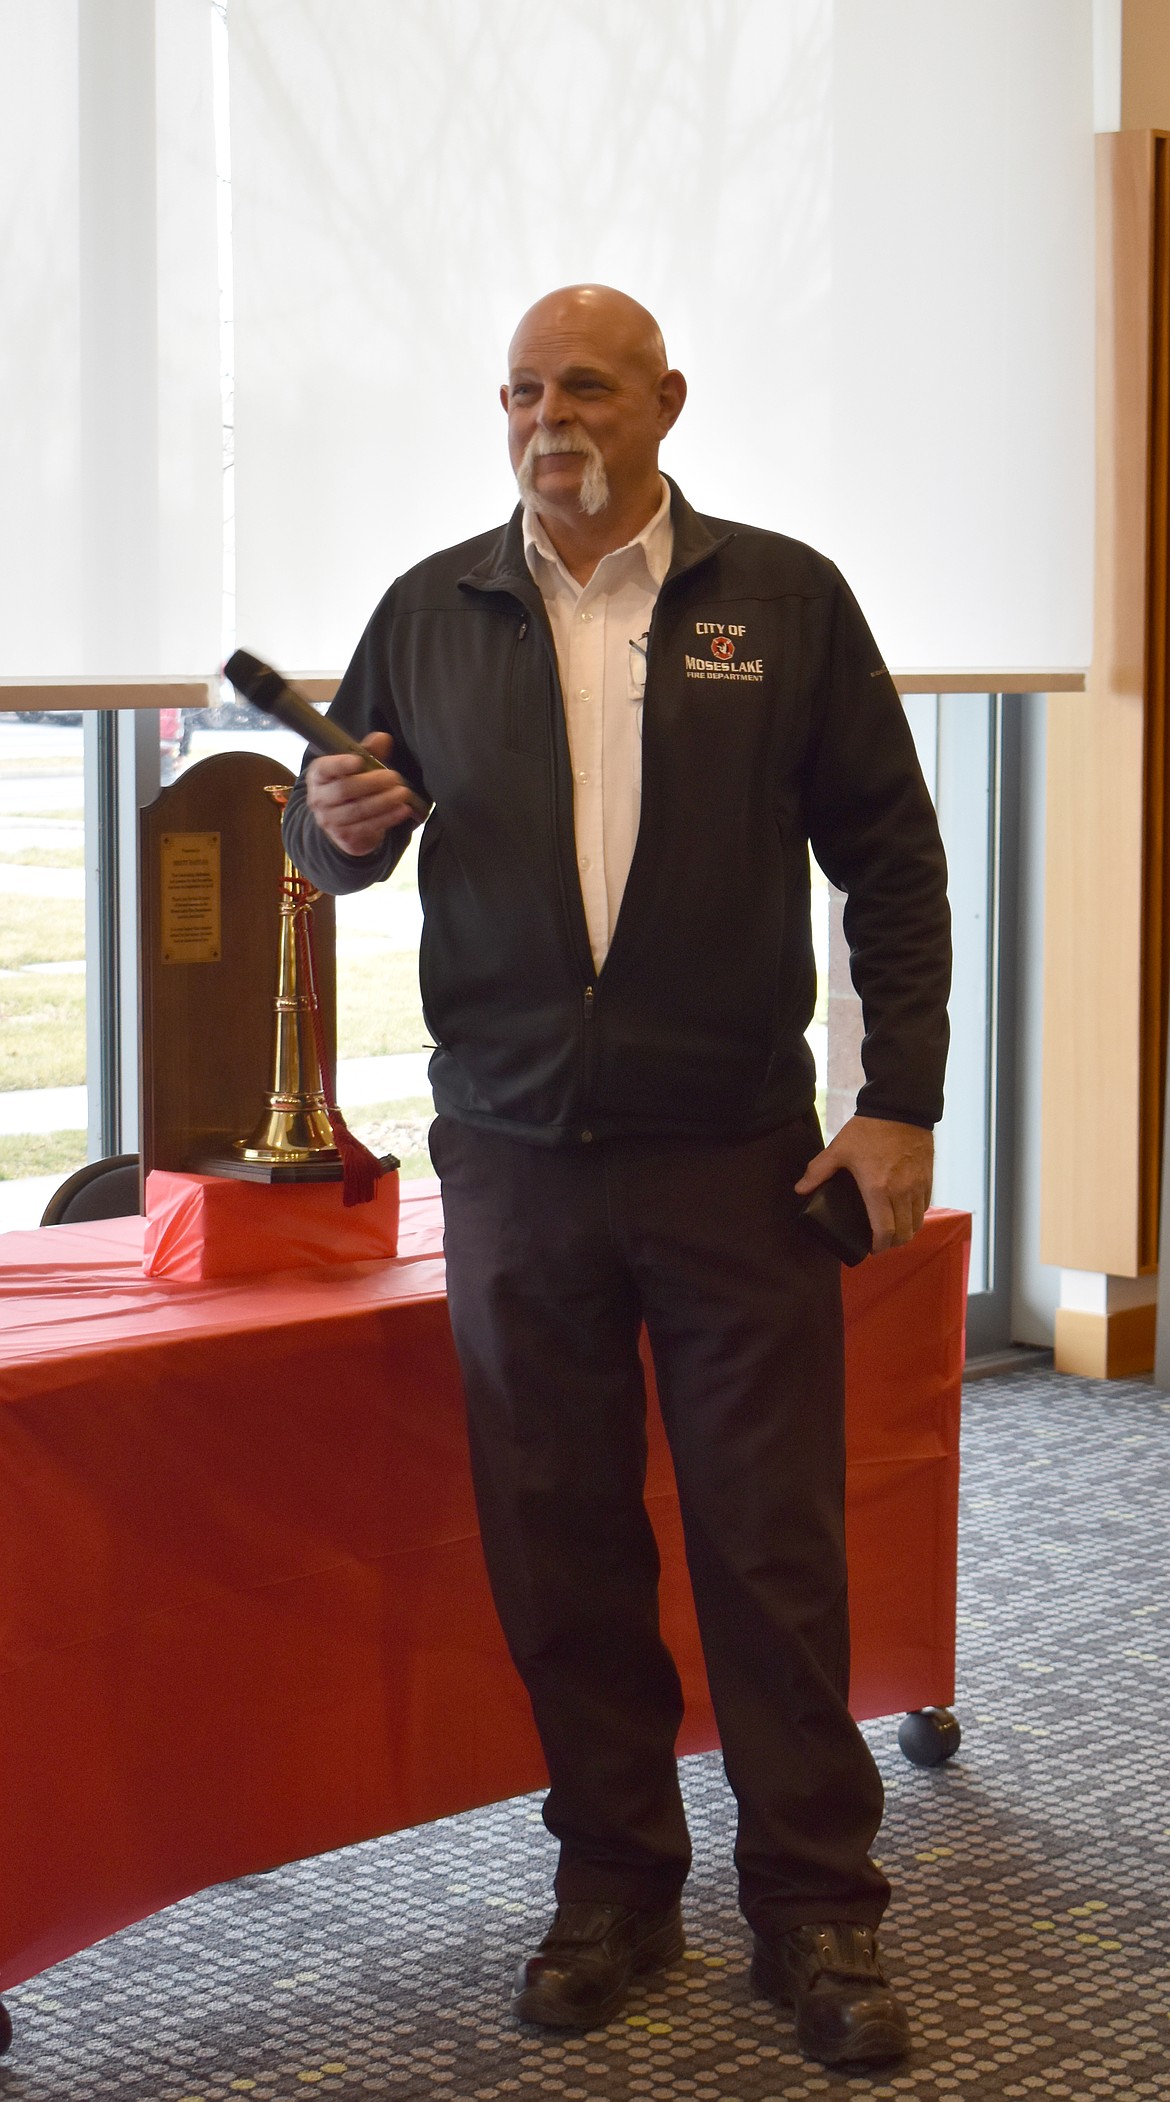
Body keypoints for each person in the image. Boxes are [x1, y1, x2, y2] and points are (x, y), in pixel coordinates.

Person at [282, 284, 950, 2070]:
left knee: (770, 1545)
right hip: (512, 1161)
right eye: (518, 389)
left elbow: (889, 854)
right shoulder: (434, 608)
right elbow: (326, 818)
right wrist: (328, 828)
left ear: (666, 401)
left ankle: (814, 1909)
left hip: (734, 1152)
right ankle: (614, 1886)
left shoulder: (779, 599)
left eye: (581, 384)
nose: (544, 415)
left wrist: (897, 1100)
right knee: (558, 1543)